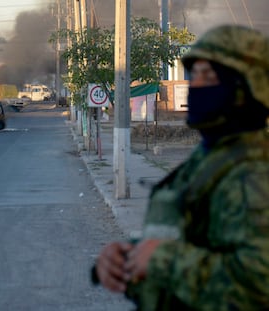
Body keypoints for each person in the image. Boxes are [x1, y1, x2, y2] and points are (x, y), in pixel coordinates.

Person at [92, 25, 269, 310]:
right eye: (194, 75)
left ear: (247, 88)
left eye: (209, 77)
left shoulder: (256, 173)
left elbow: (258, 282)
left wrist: (163, 259)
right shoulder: (209, 159)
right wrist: (127, 257)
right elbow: (191, 238)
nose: (195, 86)